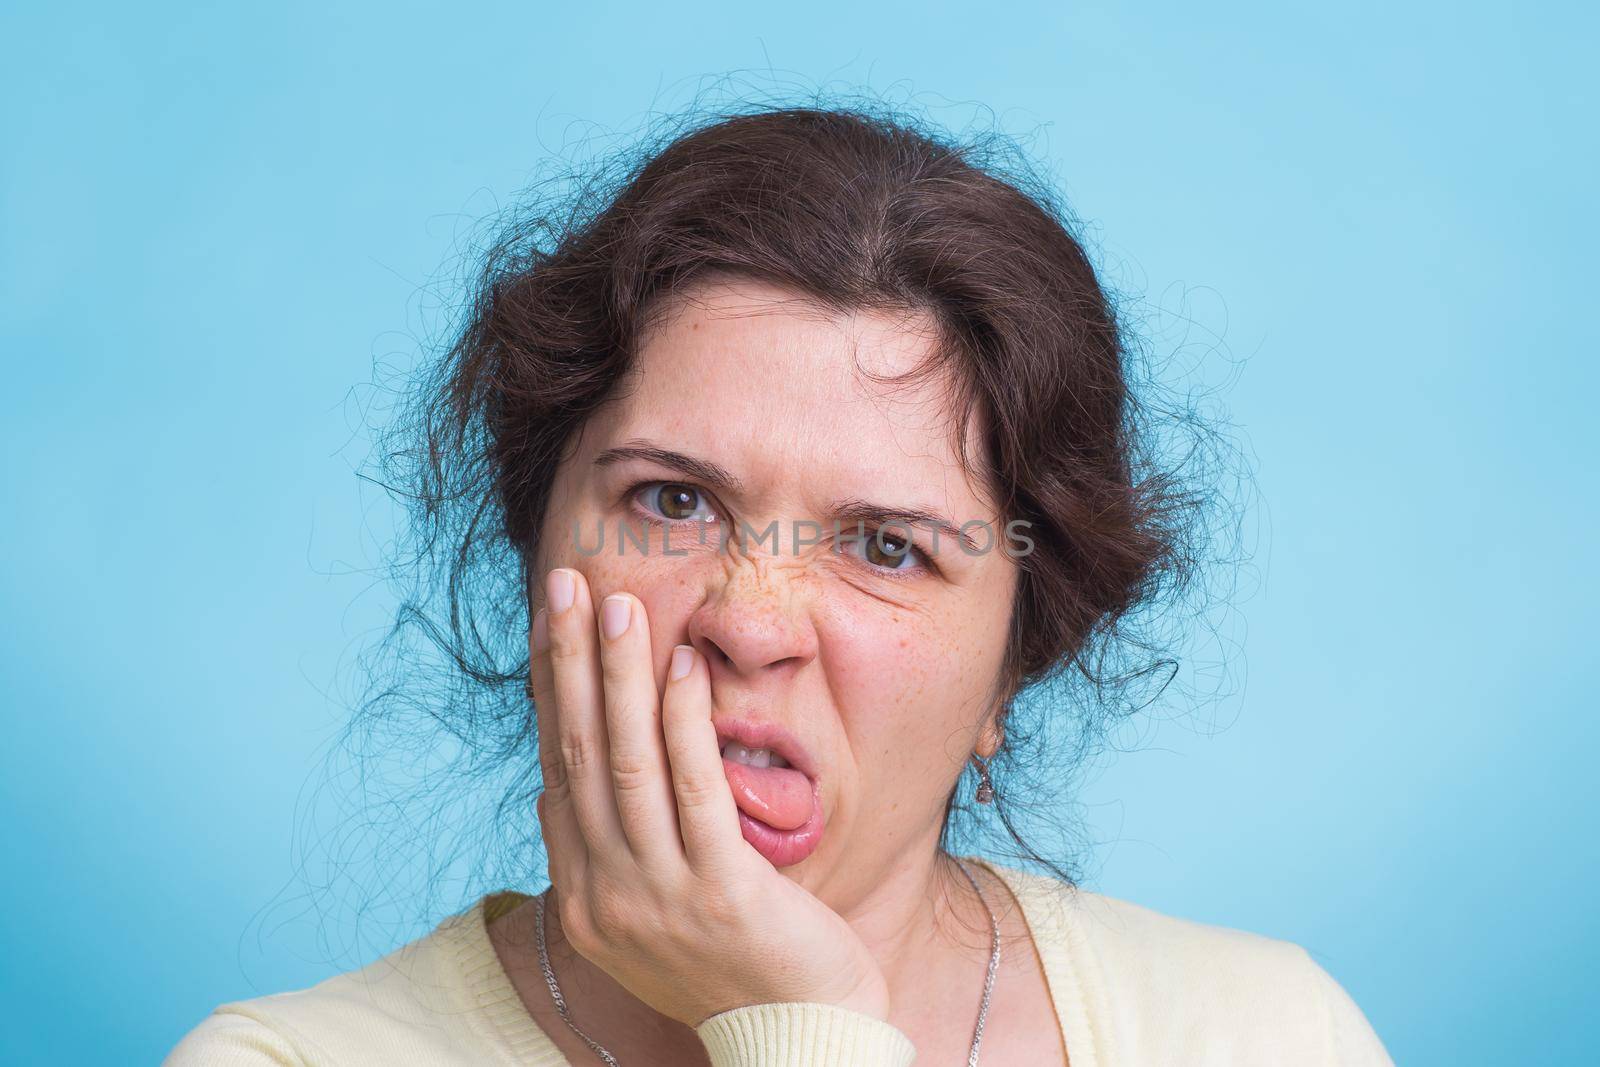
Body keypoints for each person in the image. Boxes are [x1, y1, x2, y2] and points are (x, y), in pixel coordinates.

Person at [165, 104, 1394, 1065]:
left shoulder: (1271, 1035)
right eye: (672, 500)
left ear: (1010, 666)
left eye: (886, 546)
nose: (750, 621)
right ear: (537, 552)